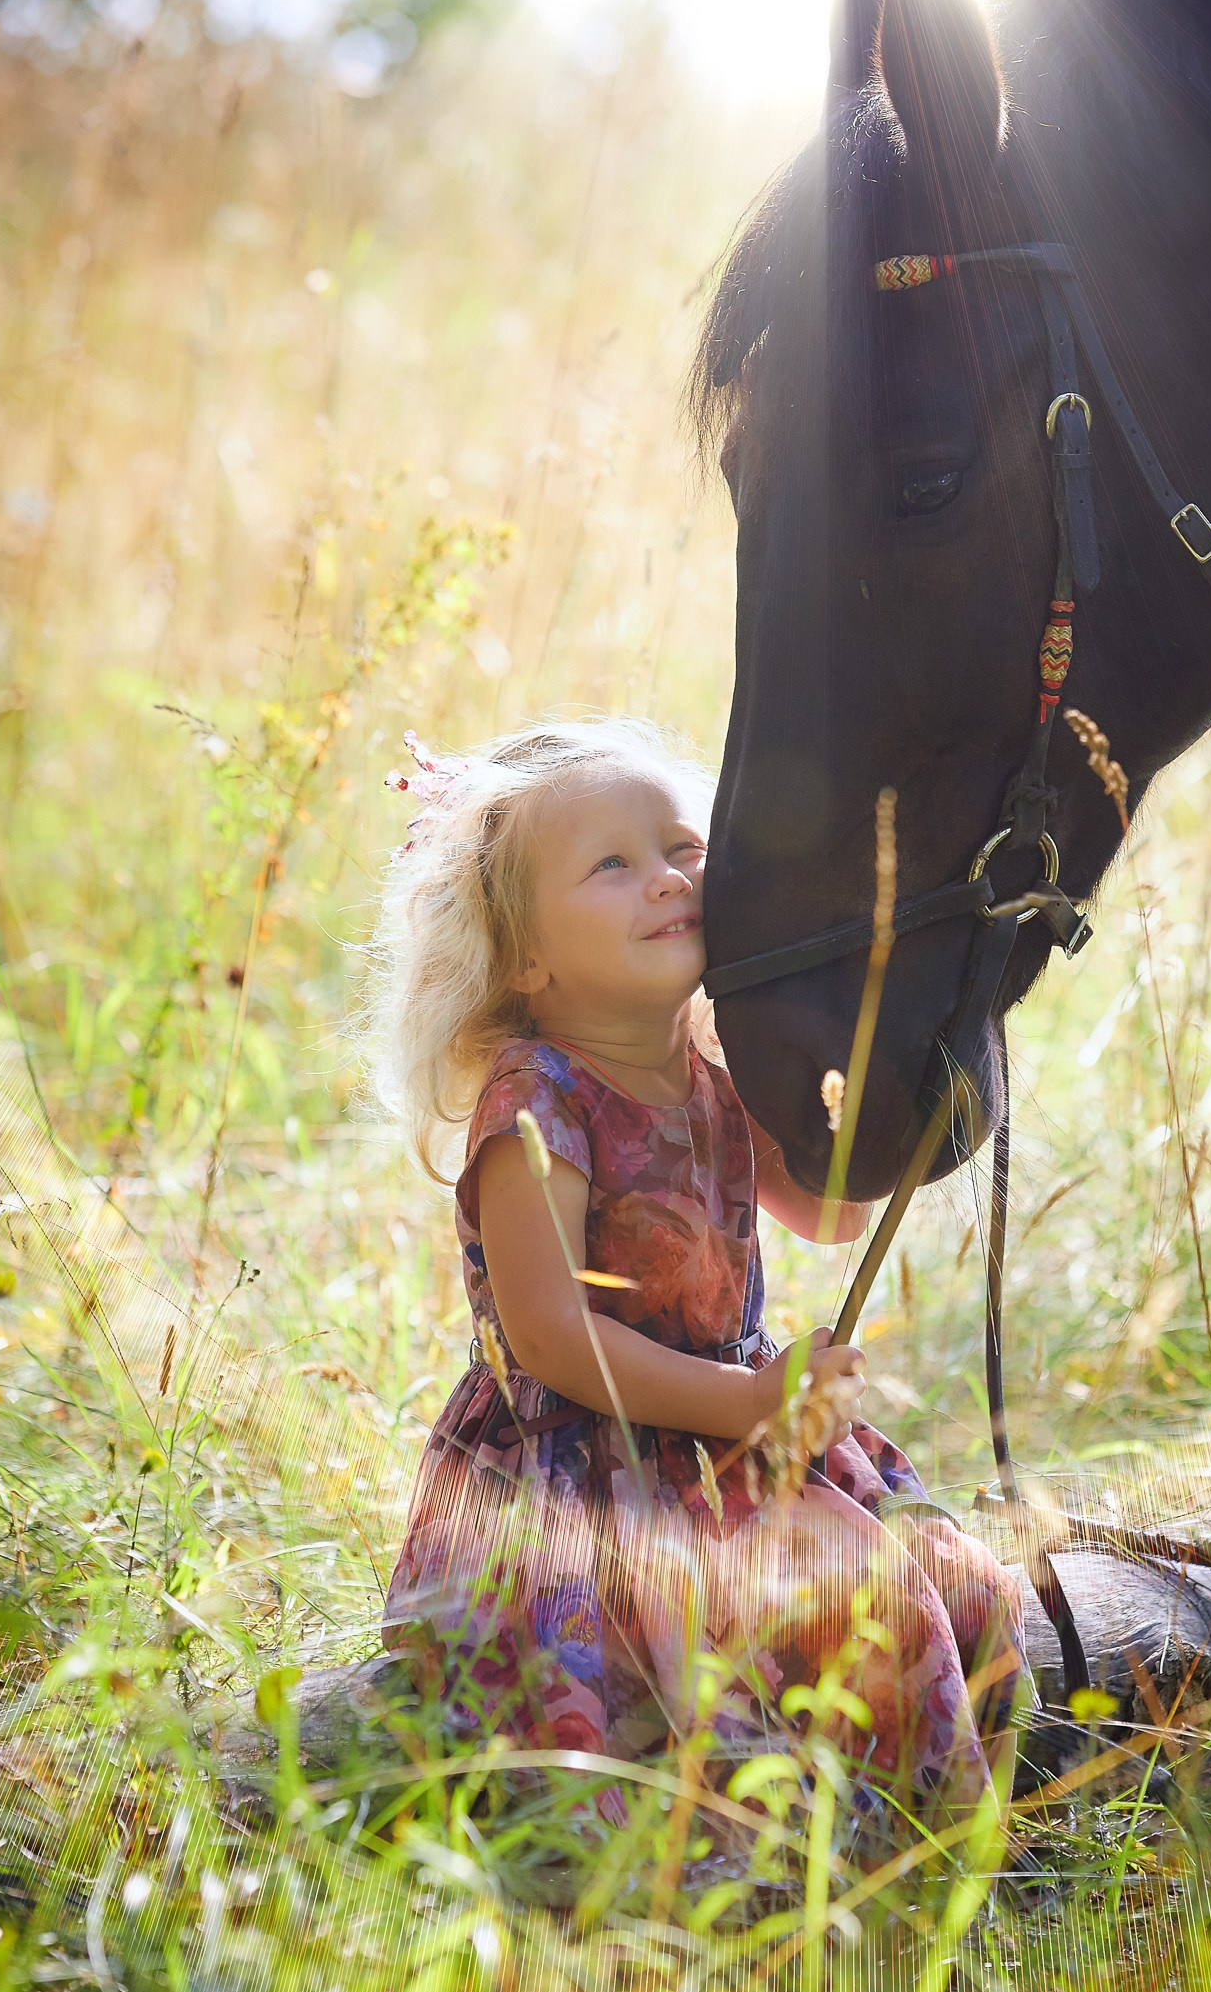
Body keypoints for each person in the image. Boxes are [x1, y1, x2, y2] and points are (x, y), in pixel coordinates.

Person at [365, 717, 1025, 1833]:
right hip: (592, 1471)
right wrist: (754, 1403)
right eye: (612, 863)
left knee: (969, 1585)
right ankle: (858, 1872)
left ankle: (941, 1845)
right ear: (525, 956)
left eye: (683, 847)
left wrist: (884, 1070)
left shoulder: (714, 1066)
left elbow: (830, 1208)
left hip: (734, 1437)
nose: (668, 878)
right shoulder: (537, 1102)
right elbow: (551, 1336)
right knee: (861, 1611)